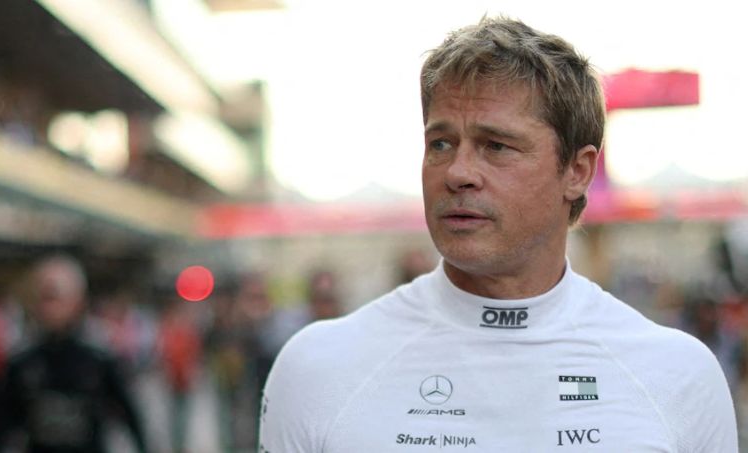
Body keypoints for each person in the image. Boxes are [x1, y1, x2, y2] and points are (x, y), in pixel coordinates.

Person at [259, 16, 738, 452]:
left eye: (496, 146)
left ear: (577, 171)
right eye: (440, 143)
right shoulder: (319, 368)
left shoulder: (677, 376)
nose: (458, 172)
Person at [0, 254, 148, 453]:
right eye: (41, 298)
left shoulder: (99, 359)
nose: (46, 307)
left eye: (53, 298)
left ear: (77, 301)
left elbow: (130, 414)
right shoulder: (23, 361)